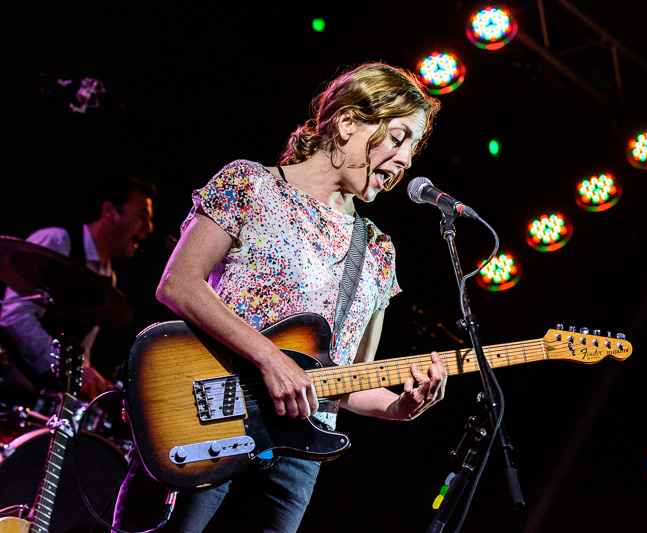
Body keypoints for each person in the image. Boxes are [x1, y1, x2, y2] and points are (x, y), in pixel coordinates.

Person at [113, 61, 446, 532]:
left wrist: (398, 407)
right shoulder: (250, 184)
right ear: (348, 123)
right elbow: (179, 283)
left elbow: (345, 380)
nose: (407, 159)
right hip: (207, 417)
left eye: (412, 146)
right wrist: (271, 359)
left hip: (297, 457)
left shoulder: (378, 250)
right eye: (398, 138)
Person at [0, 176, 155, 404]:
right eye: (143, 217)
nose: (149, 229)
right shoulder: (58, 241)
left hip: (42, 387)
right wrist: (66, 366)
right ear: (110, 210)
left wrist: (89, 378)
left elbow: (83, 348)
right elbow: (13, 316)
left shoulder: (108, 278)